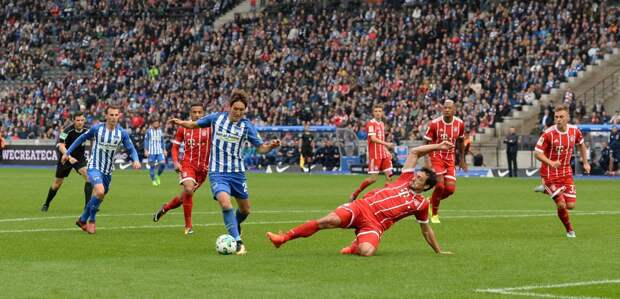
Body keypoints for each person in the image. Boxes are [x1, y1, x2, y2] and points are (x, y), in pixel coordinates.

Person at [266, 141, 455, 257]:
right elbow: (415, 153)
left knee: (367, 252)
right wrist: (438, 147)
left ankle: (355, 246)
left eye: (420, 178)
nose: (415, 177)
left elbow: (426, 230)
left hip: (374, 225)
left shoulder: (421, 204)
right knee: (327, 221)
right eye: (416, 175)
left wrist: (438, 251)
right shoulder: (405, 178)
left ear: (427, 186)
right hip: (361, 207)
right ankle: (283, 238)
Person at [168, 91, 281, 255]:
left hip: (237, 173)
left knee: (245, 210)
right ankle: (237, 242)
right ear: (229, 107)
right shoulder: (216, 118)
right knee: (225, 203)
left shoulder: (246, 126)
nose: (238, 112)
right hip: (218, 173)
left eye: (242, 110)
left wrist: (271, 146)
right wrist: (180, 122)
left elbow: (261, 148)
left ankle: (235, 225)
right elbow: (194, 125)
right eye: (236, 109)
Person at [62, 105, 141, 234]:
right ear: (106, 116)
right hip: (94, 166)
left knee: (100, 195)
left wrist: (136, 159)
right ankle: (92, 220)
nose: (114, 118)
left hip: (108, 170)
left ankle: (82, 220)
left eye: (116, 115)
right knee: (99, 191)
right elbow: (80, 138)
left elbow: (131, 149)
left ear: (119, 116)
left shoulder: (122, 133)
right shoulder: (97, 129)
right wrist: (67, 153)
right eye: (111, 115)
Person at [153, 103, 210, 234]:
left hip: (203, 169)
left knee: (184, 197)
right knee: (189, 190)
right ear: (190, 113)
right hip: (187, 165)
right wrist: (176, 162)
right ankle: (188, 227)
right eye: (194, 112)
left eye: (199, 112)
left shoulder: (210, 127)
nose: (197, 115)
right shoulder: (183, 128)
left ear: (203, 113)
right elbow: (175, 147)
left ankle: (165, 208)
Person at [534, 105, 590, 238]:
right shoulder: (548, 133)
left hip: (566, 173)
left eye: (561, 117)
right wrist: (551, 162)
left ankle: (545, 189)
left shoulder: (574, 131)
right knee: (561, 204)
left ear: (568, 117)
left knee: (571, 205)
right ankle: (570, 231)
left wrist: (586, 162)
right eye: (556, 117)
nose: (558, 120)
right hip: (549, 174)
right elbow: (537, 153)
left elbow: (581, 144)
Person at [424, 100, 466, 223]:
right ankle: (435, 214)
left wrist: (462, 159)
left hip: (450, 159)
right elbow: (426, 142)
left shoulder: (459, 124)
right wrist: (427, 160)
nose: (447, 110)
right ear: (442, 109)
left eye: (449, 108)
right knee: (440, 185)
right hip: (436, 157)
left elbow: (461, 142)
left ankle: (429, 202)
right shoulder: (434, 124)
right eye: (445, 108)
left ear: (454, 109)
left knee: (450, 190)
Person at [41, 112, 93, 212]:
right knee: (57, 184)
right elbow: (61, 145)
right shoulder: (67, 131)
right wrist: (68, 157)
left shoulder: (87, 130)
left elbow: (96, 139)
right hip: (65, 158)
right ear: (74, 120)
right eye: (78, 120)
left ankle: (88, 207)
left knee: (88, 177)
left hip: (79, 158)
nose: (80, 122)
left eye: (82, 120)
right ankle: (46, 203)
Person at [350, 105, 395, 201]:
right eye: (376, 111)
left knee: (389, 175)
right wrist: (387, 144)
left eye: (380, 111)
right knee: (373, 179)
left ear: (382, 113)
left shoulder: (382, 124)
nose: (378, 113)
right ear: (373, 113)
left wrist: (386, 150)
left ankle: (385, 198)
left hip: (383, 153)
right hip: (375, 154)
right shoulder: (371, 124)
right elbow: (373, 139)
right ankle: (355, 193)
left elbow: (381, 139)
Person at [144, 119, 167, 186]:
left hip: (159, 151)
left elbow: (162, 141)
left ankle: (158, 175)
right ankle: (153, 180)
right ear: (152, 124)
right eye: (155, 123)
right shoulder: (148, 132)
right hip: (151, 152)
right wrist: (146, 150)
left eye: (158, 123)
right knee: (152, 166)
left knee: (163, 164)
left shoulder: (160, 131)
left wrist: (164, 149)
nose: (157, 124)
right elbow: (146, 141)